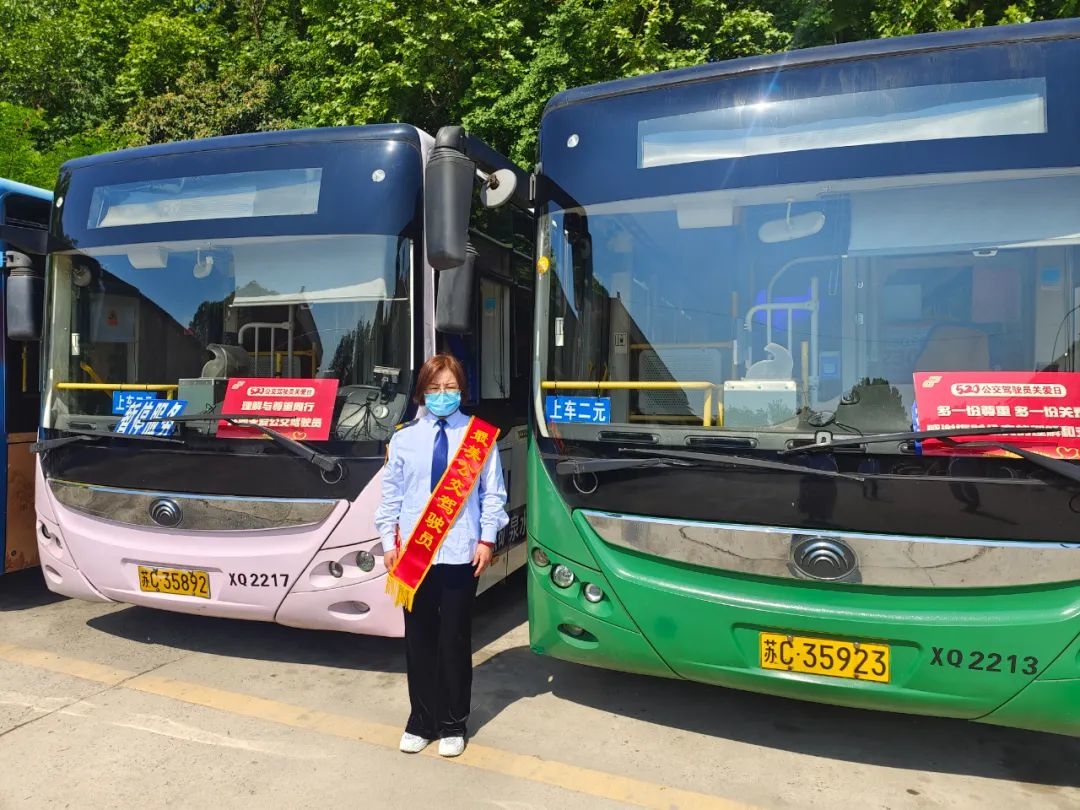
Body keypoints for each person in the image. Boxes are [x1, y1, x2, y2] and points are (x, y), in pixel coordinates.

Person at [374, 353, 508, 758]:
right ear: (422, 392)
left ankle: (453, 724)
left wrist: (487, 540)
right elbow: (391, 496)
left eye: (449, 387)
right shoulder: (404, 438)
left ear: (461, 390)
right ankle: (421, 721)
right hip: (414, 556)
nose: (442, 394)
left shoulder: (479, 437)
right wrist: (388, 543)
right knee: (419, 641)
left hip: (460, 553)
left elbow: (493, 495)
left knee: (454, 640)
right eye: (434, 388)